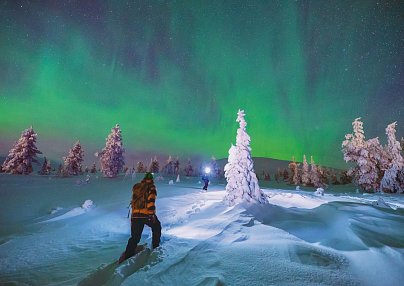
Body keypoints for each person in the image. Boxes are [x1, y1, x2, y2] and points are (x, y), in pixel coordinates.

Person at [119, 172, 161, 263]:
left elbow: (134, 201)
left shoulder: (137, 187)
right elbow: (151, 201)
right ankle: (156, 247)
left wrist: (133, 216)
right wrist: (151, 215)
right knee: (157, 226)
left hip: (135, 215)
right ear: (152, 179)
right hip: (146, 215)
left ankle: (128, 255)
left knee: (135, 237)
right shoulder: (151, 188)